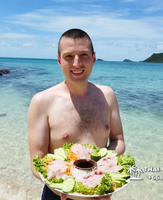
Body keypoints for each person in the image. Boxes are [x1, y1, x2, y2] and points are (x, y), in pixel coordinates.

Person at [28, 28, 126, 200]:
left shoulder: (107, 95)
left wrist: (104, 166)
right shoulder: (42, 102)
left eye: (83, 55)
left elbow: (118, 140)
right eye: (68, 57)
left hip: (99, 193)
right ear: (59, 60)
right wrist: (67, 189)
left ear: (94, 58)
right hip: (59, 195)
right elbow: (37, 161)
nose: (76, 63)